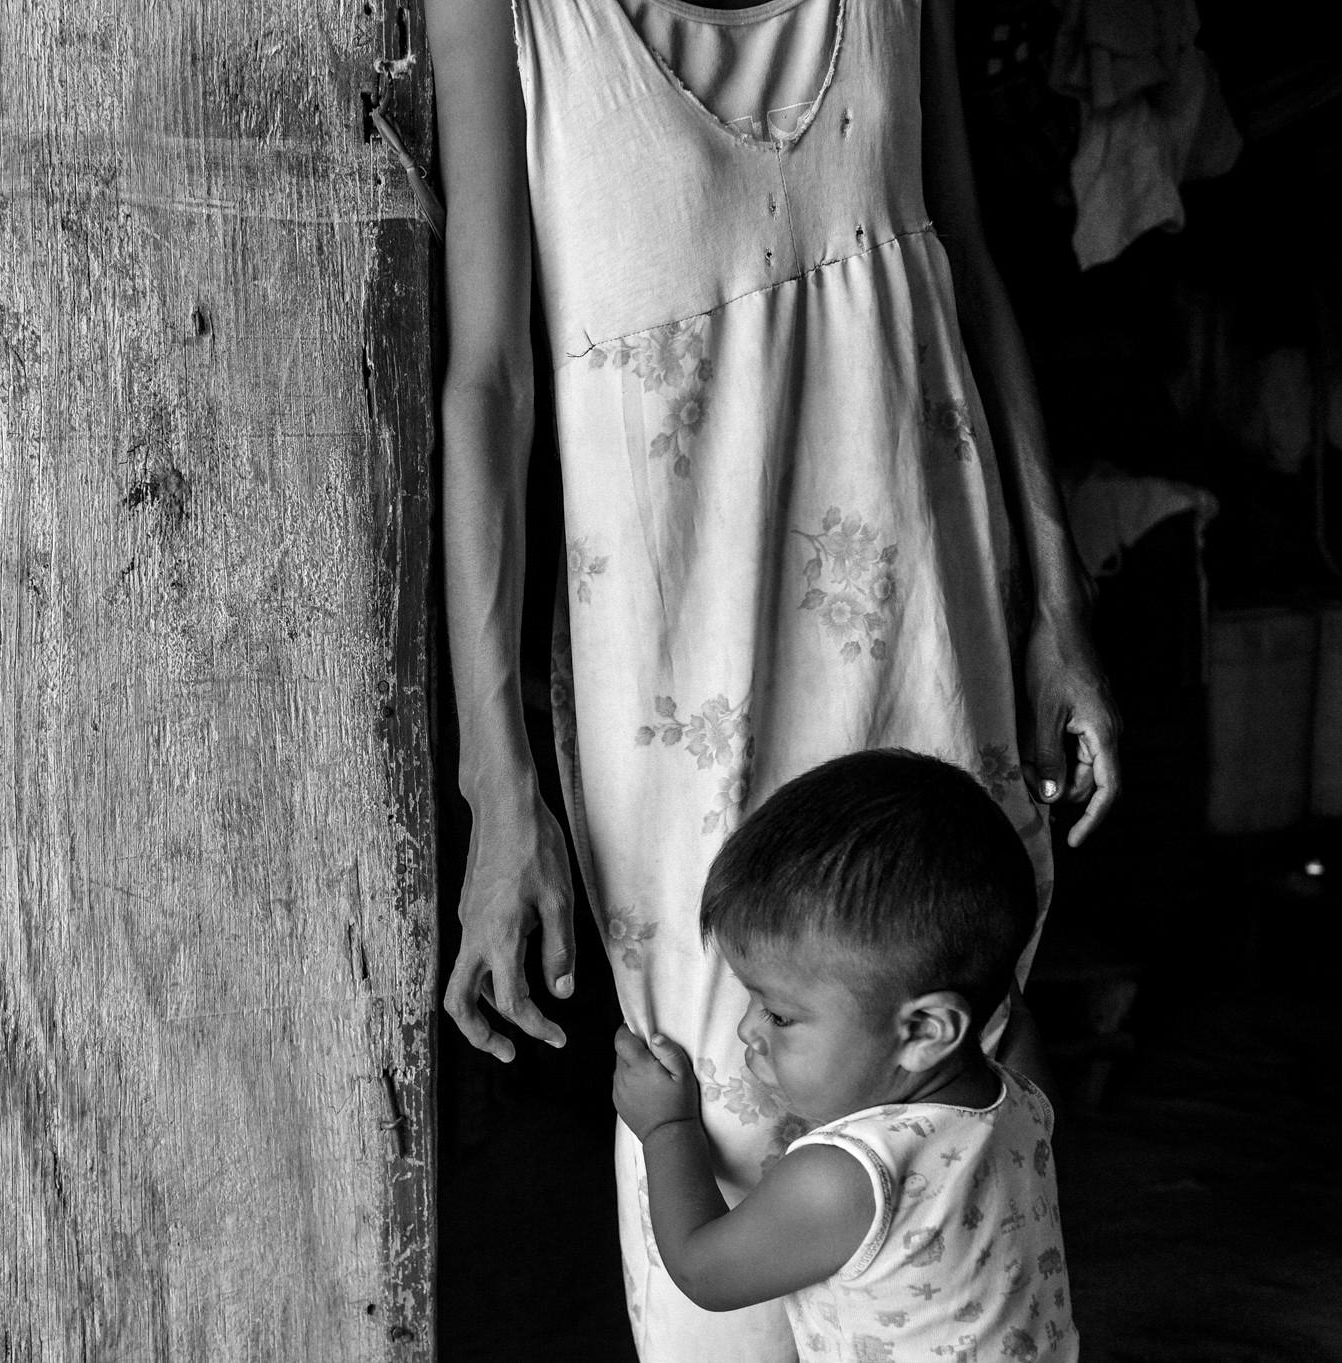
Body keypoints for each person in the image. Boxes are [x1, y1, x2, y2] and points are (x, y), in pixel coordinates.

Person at [426, 0, 1119, 1354]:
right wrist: (495, 777)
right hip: (682, 683)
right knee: (716, 1123)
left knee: (953, 1120)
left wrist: (1059, 608)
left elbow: (969, 269)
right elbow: (487, 385)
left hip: (928, 624)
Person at [611, 750, 1075, 1362]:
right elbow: (1013, 1018)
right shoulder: (1026, 1099)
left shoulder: (847, 1175)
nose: (748, 1030)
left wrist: (667, 1127)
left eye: (779, 1014)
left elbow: (703, 1272)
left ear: (927, 1030)